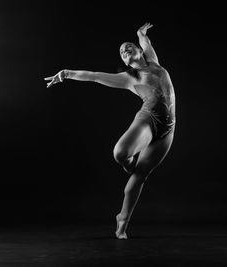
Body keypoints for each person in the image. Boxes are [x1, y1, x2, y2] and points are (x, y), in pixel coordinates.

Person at [44, 23, 176, 240]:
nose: (125, 50)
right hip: (148, 120)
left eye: (129, 47)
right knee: (120, 153)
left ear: (140, 52)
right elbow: (94, 75)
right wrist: (66, 73)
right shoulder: (129, 78)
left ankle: (122, 220)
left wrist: (140, 34)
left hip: (168, 130)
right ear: (124, 61)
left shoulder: (154, 63)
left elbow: (146, 42)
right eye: (122, 51)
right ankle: (128, 163)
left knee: (141, 176)